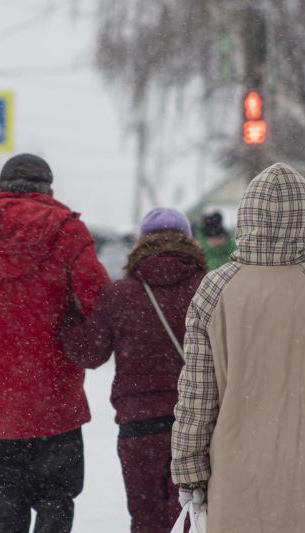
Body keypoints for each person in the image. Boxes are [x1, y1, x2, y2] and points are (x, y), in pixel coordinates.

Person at [171, 162, 305, 532]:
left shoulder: (213, 290)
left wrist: (189, 471)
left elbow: (197, 396)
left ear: (246, 218)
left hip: (234, 478)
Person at [0, 153, 110, 533]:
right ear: (48, 190)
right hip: (55, 400)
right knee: (56, 502)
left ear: (0, 189)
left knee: (4, 513)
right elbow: (96, 302)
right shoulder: (69, 232)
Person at [60, 207, 206, 533]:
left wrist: (66, 317)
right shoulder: (209, 290)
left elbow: (90, 353)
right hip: (198, 423)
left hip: (139, 424)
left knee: (146, 517)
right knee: (193, 517)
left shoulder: (121, 294)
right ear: (189, 242)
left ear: (140, 244)